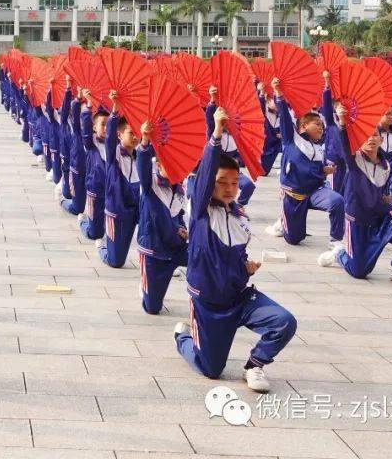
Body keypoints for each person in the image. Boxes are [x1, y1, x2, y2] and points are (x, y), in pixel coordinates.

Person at [175, 108, 297, 393]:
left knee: (284, 322)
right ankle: (183, 337)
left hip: (239, 298)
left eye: (233, 182)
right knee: (211, 369)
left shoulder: (240, 215)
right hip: (208, 304)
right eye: (221, 183)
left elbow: (235, 254)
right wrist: (216, 132)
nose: (229, 188)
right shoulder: (201, 212)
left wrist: (245, 267)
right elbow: (204, 177)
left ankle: (255, 366)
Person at [316, 107, 392, 285]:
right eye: (365, 136)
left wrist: (386, 198)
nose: (370, 139)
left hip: (381, 219)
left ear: (381, 139)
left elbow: (380, 189)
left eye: (374, 135)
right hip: (358, 221)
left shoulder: (386, 165)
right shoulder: (354, 160)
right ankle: (341, 254)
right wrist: (343, 122)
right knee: (359, 271)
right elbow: (344, 142)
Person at [269, 78, 344, 247]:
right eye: (316, 124)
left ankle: (336, 241)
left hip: (314, 193)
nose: (321, 128)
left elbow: (330, 119)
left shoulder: (319, 149)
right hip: (293, 196)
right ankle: (284, 223)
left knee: (337, 201)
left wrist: (325, 170)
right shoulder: (291, 139)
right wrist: (278, 93)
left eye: (322, 126)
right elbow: (285, 116)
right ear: (303, 126)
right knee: (295, 240)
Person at [136, 122, 188, 314]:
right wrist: (145, 141)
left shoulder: (181, 188)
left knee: (204, 260)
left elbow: (179, 215)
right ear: (158, 164)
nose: (175, 168)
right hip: (153, 251)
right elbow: (142, 164)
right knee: (152, 308)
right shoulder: (151, 185)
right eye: (169, 163)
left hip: (176, 247)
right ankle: (146, 286)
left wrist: (182, 229)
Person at [97, 91, 141, 268]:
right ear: (119, 134)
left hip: (138, 207)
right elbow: (108, 137)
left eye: (137, 132)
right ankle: (103, 247)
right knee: (116, 261)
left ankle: (154, 261)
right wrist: (115, 108)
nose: (135, 136)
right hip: (118, 208)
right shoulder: (113, 154)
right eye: (131, 132)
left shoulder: (143, 156)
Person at [80, 106, 109, 242]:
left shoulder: (115, 146)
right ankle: (83, 222)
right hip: (95, 190)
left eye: (109, 125)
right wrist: (88, 109)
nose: (106, 128)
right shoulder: (91, 144)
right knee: (95, 233)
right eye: (102, 124)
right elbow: (85, 130)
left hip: (111, 192)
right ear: (94, 127)